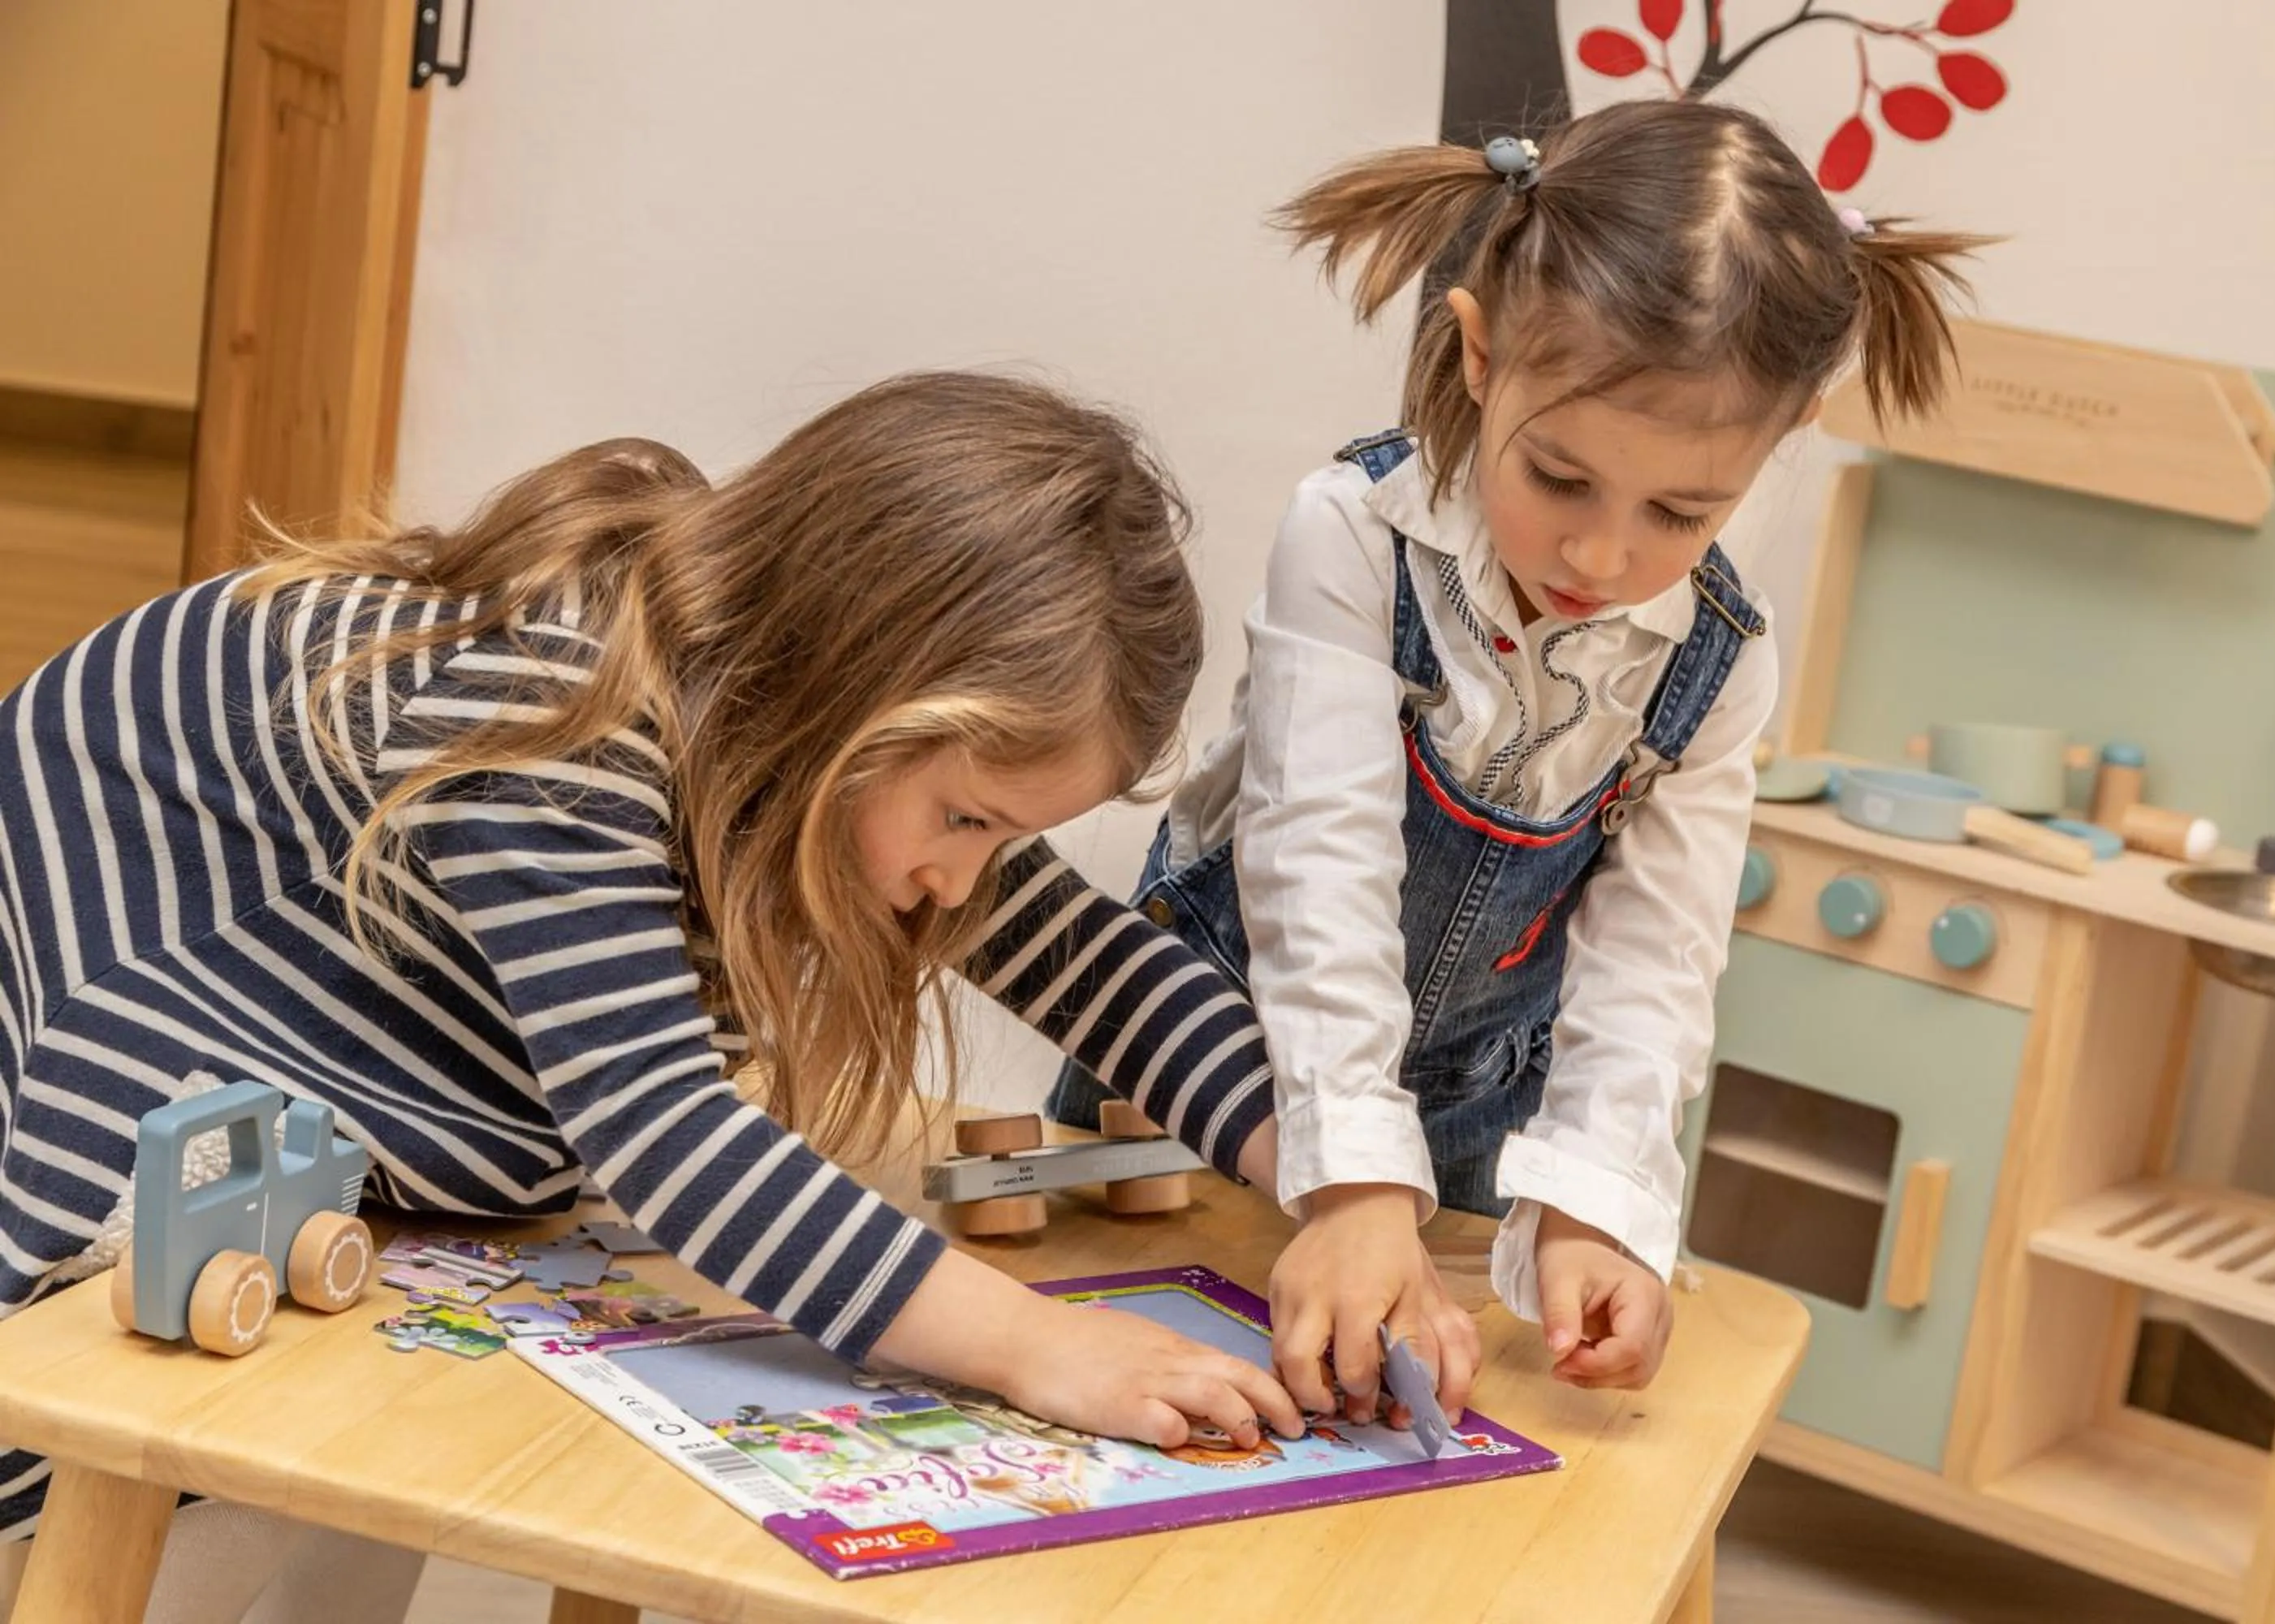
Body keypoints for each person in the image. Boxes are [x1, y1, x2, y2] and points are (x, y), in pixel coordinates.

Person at [0, 370, 1299, 1619]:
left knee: (333, 1486)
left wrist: (1336, 1183)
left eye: (1001, 843)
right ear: (847, 686)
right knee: (154, 1504)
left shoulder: (789, 733)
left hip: (306, 1129)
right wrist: (1043, 1347)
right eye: (963, 819)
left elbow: (1103, 972)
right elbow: (665, 1128)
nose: (960, 884)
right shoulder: (554, 701)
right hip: (104, 1059)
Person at [1051, 98, 1988, 1423]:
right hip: (1218, 1068)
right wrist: (1356, 1188)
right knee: (1129, 1411)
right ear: (1481, 355)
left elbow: (1655, 961)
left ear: (1783, 444)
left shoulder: (1722, 664)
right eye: (1559, 478)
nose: (1601, 559)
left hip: (1478, 1120)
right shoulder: (1353, 540)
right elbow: (1318, 879)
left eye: (1681, 511)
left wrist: (1595, 1210)